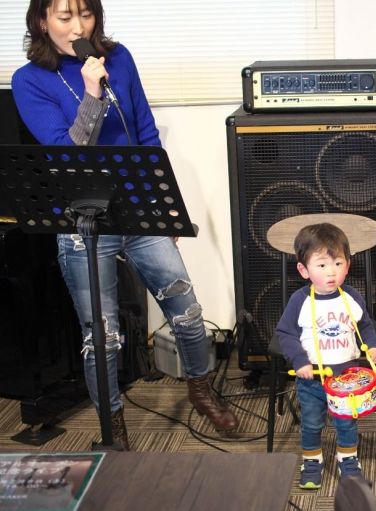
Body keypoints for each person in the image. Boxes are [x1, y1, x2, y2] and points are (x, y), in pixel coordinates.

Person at [11, 0, 237, 450]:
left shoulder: (119, 58)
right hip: (83, 220)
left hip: (138, 208)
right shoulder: (28, 80)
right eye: (65, 17)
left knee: (187, 310)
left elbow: (145, 132)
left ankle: (200, 389)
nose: (79, 27)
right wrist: (91, 94)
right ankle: (113, 428)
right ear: (41, 21)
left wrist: (163, 207)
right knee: (102, 337)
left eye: (86, 14)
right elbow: (68, 154)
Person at [276, 223, 376, 489]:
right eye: (322, 265)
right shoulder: (300, 300)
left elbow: (365, 326)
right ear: (304, 270)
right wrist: (300, 361)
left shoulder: (351, 296)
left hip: (346, 378)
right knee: (312, 423)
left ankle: (348, 461)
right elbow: (285, 333)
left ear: (347, 265)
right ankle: (312, 462)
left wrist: (373, 346)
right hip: (312, 379)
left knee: (346, 423)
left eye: (337, 263)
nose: (331, 272)